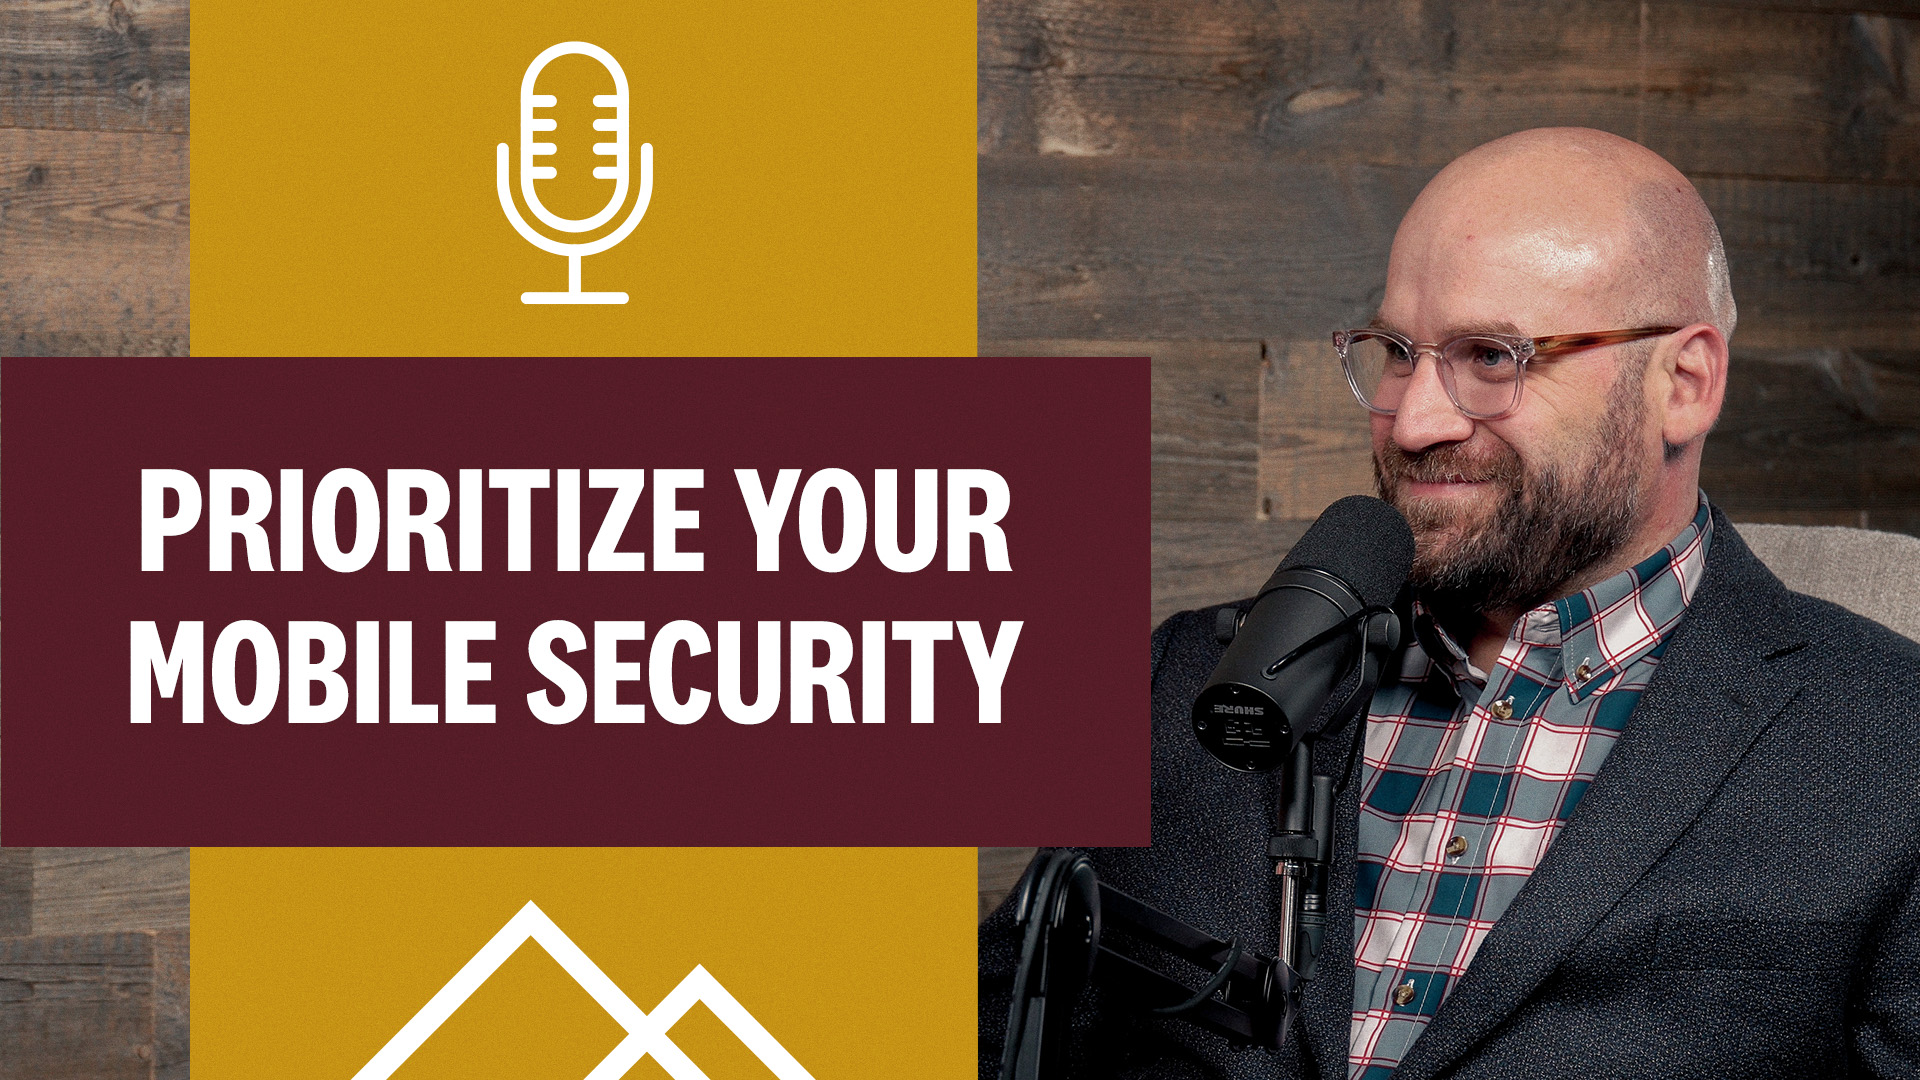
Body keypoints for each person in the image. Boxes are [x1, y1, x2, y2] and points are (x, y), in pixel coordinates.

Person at [980, 128, 1920, 1080]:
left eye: (1492, 356)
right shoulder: (1187, 678)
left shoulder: (1890, 747)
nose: (1417, 421)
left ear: (1683, 385)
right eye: (1396, 351)